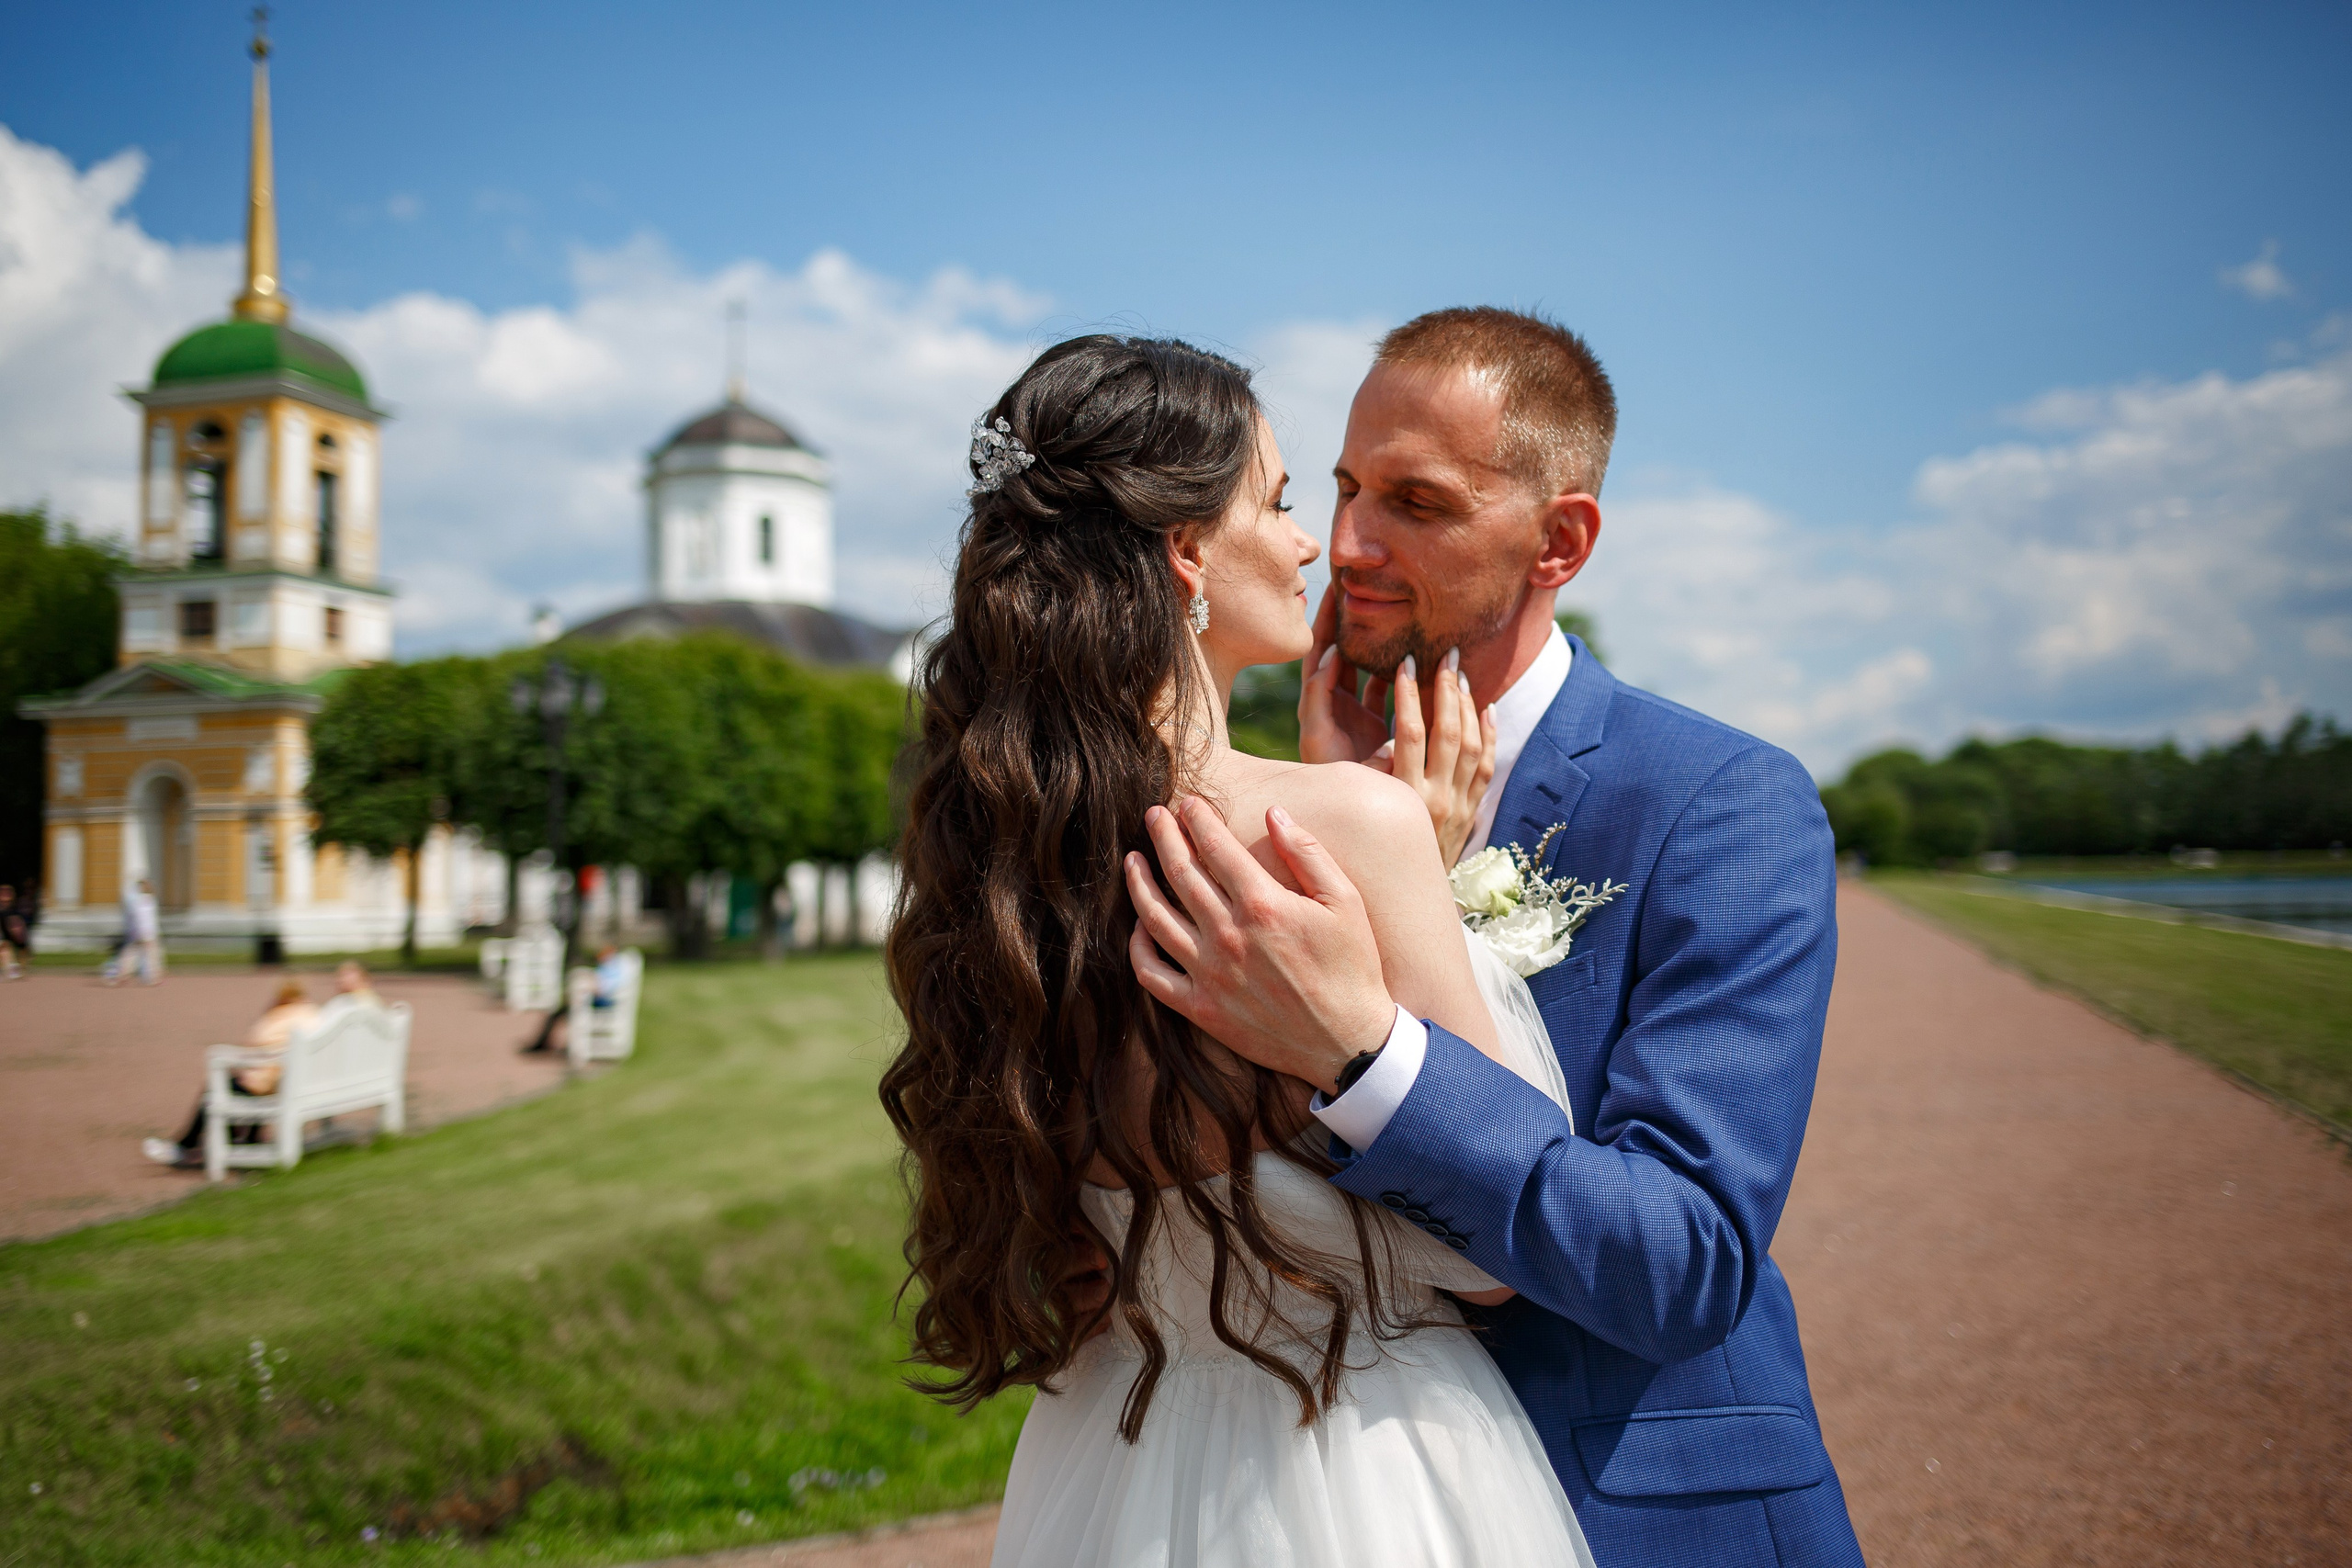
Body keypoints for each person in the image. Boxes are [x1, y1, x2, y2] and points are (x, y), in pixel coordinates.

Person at [1123, 309, 1862, 1566]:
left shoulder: (1718, 802)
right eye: (1345, 488)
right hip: (1317, 1498)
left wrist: (1372, 1047)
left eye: (1418, 501)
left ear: (1559, 540)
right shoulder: (1230, 800)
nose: (1346, 543)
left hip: (1632, 1511)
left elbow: (1681, 1260)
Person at [882, 335, 1592, 1567]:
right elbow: (1498, 1257)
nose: (1314, 542)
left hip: (1113, 1447)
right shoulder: (1348, 825)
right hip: (1357, 1454)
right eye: (1277, 501)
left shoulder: (999, 863)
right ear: (1186, 550)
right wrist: (1412, 872)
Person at [143, 978, 321, 1169]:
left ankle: (186, 1144)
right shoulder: (313, 1016)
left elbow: (255, 1042)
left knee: (220, 1085)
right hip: (299, 1084)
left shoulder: (282, 1018)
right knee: (239, 1081)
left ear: (283, 998)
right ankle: (247, 1139)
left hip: (276, 1085)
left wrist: (269, 1013)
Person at [518, 943, 625, 1055]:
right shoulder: (607, 967)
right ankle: (542, 1044)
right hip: (591, 1001)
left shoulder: (614, 969)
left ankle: (548, 1045)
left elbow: (604, 990)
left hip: (600, 1003)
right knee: (558, 1013)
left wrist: (590, 985)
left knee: (563, 1013)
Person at [107, 879, 163, 987]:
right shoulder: (143, 901)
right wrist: (142, 932)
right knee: (150, 955)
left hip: (142, 932)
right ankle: (151, 977)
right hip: (145, 932)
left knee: (132, 954)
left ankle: (120, 975)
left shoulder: (145, 900)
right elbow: (142, 919)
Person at [0, 884, 26, 979]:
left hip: (9, 936)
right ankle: (12, 969)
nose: (5, 895)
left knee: (6, 949)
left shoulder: (14, 910)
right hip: (3, 936)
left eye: (8, 893)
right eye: (3, 893)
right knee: (4, 948)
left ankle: (13, 969)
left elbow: (17, 924)